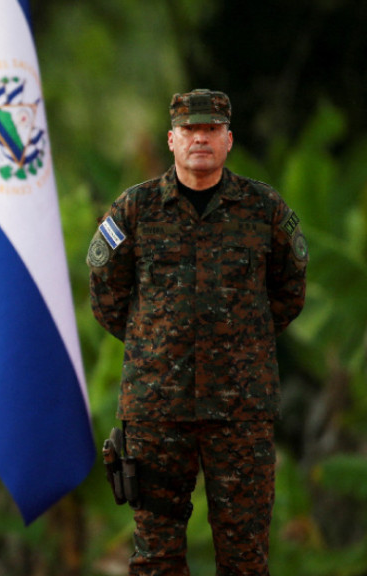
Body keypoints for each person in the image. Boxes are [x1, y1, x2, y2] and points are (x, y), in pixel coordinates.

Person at [88, 89, 307, 574]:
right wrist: (157, 341)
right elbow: (106, 296)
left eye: (211, 130)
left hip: (241, 409)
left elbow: (289, 291)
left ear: (228, 140)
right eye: (190, 130)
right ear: (172, 139)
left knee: (246, 556)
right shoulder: (135, 210)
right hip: (157, 409)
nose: (200, 138)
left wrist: (239, 342)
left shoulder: (264, 209)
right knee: (156, 556)